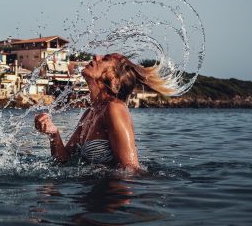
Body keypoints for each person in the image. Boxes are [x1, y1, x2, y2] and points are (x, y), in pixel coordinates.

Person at [35, 53, 175, 170]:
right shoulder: (90, 113)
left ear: (114, 81)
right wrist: (53, 134)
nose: (96, 56)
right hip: (89, 197)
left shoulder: (114, 109)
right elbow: (63, 161)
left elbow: (130, 169)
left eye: (105, 59)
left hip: (111, 198)